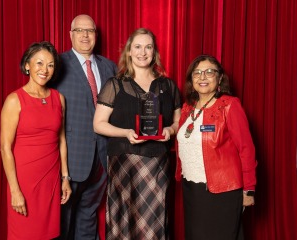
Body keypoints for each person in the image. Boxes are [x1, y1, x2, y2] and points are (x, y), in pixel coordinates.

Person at [93, 28, 181, 239]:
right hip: (124, 165)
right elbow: (98, 124)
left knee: (154, 221)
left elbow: (180, 121)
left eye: (148, 47)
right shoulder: (115, 84)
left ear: (155, 52)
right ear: (129, 52)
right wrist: (125, 132)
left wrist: (170, 129)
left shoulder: (168, 86)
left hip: (157, 164)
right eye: (138, 47)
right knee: (125, 221)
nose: (143, 52)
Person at [176, 54, 257, 240]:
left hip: (222, 190)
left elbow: (246, 149)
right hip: (192, 189)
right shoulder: (188, 107)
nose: (202, 77)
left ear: (220, 77)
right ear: (191, 79)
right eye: (197, 73)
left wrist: (249, 190)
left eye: (209, 72)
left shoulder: (229, 105)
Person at [51, 14, 117, 240]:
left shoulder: (109, 66)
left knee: (88, 214)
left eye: (90, 31)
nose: (85, 35)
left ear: (96, 35)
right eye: (80, 30)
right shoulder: (57, 64)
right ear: (70, 34)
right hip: (71, 156)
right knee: (63, 218)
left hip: (103, 156)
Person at [0, 41, 72, 240]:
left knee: (50, 235)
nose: (45, 70)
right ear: (27, 66)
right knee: (23, 234)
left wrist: (65, 178)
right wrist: (15, 190)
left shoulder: (59, 98)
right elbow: (5, 148)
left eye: (50, 65)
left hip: (50, 181)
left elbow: (61, 140)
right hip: (24, 181)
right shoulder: (14, 100)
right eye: (39, 63)